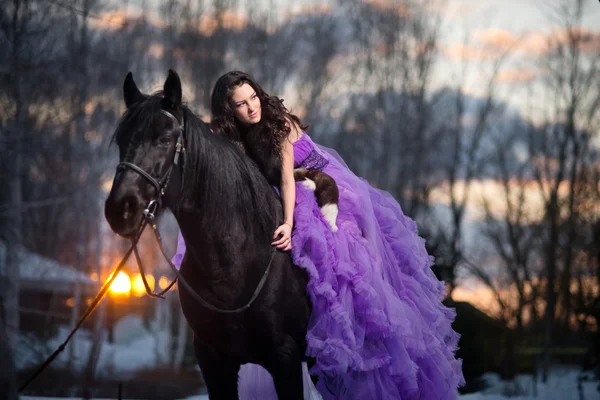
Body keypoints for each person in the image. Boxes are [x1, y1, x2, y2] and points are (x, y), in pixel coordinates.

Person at [173, 71, 465, 399]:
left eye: (253, 96)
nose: (252, 107)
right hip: (276, 189)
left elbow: (286, 179)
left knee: (336, 252)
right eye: (241, 104)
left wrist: (285, 222)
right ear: (229, 110)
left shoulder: (277, 123)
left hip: (315, 183)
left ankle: (354, 333)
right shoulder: (231, 134)